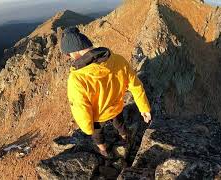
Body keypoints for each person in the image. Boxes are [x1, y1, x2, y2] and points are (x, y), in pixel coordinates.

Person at [60, 27, 152, 157]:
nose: (69, 58)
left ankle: (104, 151)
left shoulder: (77, 78)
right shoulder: (119, 60)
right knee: (119, 124)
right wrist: (144, 108)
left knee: (97, 135)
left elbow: (80, 107)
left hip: (97, 117)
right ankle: (125, 138)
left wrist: (87, 128)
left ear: (74, 53)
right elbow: (135, 85)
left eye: (68, 55)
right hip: (116, 108)